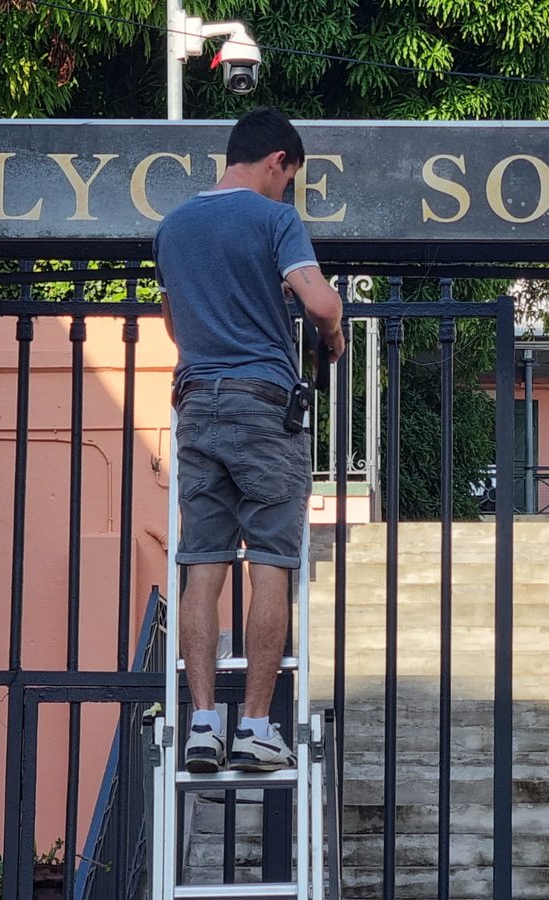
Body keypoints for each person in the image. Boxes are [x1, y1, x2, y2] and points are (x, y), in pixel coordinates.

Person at [154, 107, 344, 773]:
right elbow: (319, 302)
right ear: (276, 161)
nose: (285, 189)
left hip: (196, 405)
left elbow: (173, 323)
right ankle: (257, 727)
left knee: (201, 566)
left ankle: (204, 724)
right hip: (263, 405)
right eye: (288, 178)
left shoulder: (172, 227)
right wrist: (333, 336)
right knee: (271, 563)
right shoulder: (274, 220)